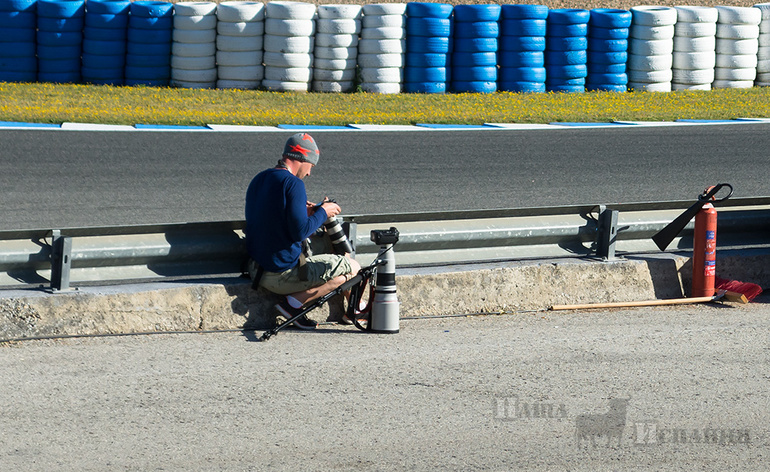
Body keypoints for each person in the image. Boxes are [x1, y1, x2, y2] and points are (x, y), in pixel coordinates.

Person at [245, 133, 361, 330]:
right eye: (311, 166)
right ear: (302, 158)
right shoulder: (294, 184)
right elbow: (299, 232)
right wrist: (323, 212)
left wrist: (305, 212)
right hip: (282, 276)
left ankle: (351, 309)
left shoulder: (260, 178)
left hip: (257, 269)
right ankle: (295, 304)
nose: (309, 173)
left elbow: (273, 218)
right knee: (354, 268)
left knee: (336, 258)